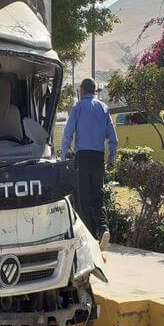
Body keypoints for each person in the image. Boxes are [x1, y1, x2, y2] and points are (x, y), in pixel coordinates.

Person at [60, 78, 118, 243]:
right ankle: (104, 229)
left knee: (82, 198)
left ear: (82, 91)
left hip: (83, 157)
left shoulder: (77, 107)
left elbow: (67, 134)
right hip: (98, 158)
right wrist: (111, 158)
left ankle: (90, 238)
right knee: (97, 196)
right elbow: (113, 139)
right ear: (94, 91)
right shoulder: (104, 108)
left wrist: (63, 157)